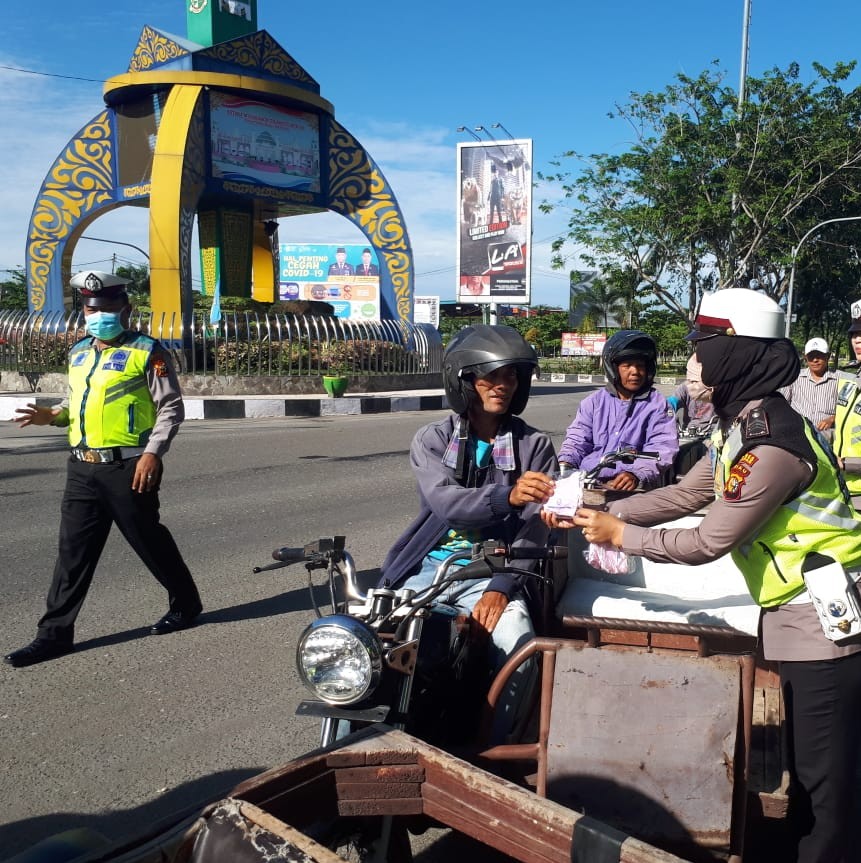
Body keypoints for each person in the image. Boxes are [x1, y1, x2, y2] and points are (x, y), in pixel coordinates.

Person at [549, 288, 861, 863]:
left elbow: (709, 539)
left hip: (826, 625)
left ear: (737, 354)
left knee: (827, 788)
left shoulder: (771, 443)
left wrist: (623, 537)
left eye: (703, 347)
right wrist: (599, 509)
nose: (692, 362)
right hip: (795, 617)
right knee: (804, 770)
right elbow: (687, 493)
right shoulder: (737, 426)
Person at [4, 271, 202, 668]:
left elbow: (170, 407)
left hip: (129, 466)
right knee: (72, 553)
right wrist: (52, 416)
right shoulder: (78, 353)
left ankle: (185, 604)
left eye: (108, 308)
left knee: (148, 540)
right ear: (84, 311)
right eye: (92, 310)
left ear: (125, 309)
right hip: (82, 467)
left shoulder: (147, 351)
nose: (100, 316)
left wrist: (153, 453)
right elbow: (75, 404)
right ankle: (53, 635)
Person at [379, 324, 555, 739]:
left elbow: (535, 528)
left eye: (511, 376)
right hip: (430, 568)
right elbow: (447, 504)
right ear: (464, 381)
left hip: (496, 570)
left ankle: (494, 748)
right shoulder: (433, 439)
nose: (502, 385)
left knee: (520, 647)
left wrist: (502, 586)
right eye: (490, 376)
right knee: (381, 641)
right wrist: (508, 496)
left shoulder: (534, 445)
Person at [557, 330, 678, 490]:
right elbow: (577, 440)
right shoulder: (593, 402)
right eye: (627, 366)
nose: (635, 372)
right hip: (588, 481)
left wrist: (636, 474)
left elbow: (662, 447)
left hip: (632, 488)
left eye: (640, 365)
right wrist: (566, 463)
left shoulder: (657, 405)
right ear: (613, 368)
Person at [780, 337, 837, 440]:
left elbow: (850, 411)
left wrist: (833, 419)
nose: (815, 360)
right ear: (805, 357)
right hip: (798, 433)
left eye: (819, 355)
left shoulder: (840, 379)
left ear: (828, 356)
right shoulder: (794, 377)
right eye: (811, 356)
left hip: (827, 436)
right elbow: (782, 405)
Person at [832, 320, 861, 508]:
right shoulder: (848, 379)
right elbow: (842, 427)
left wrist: (846, 464)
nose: (857, 340)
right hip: (841, 486)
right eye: (854, 335)